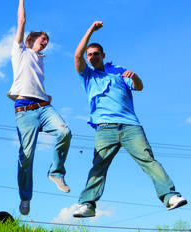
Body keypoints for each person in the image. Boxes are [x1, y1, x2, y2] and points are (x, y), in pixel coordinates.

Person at [72, 21, 187, 217]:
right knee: (99, 165)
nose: (91, 57)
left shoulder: (118, 70)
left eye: (95, 54)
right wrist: (91, 29)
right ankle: (88, 205)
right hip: (105, 128)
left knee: (148, 160)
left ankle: (170, 196)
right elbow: (77, 55)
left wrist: (135, 77)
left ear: (103, 55)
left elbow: (139, 87)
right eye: (89, 55)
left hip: (130, 126)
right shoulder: (87, 76)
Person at [8, 0, 72, 216]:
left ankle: (56, 172)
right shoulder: (19, 51)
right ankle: (25, 197)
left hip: (43, 107)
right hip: (24, 110)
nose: (46, 42)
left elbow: (35, 83)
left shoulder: (41, 60)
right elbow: (21, 22)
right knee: (27, 155)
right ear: (31, 39)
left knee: (65, 132)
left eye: (47, 41)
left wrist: (46, 96)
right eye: (43, 39)